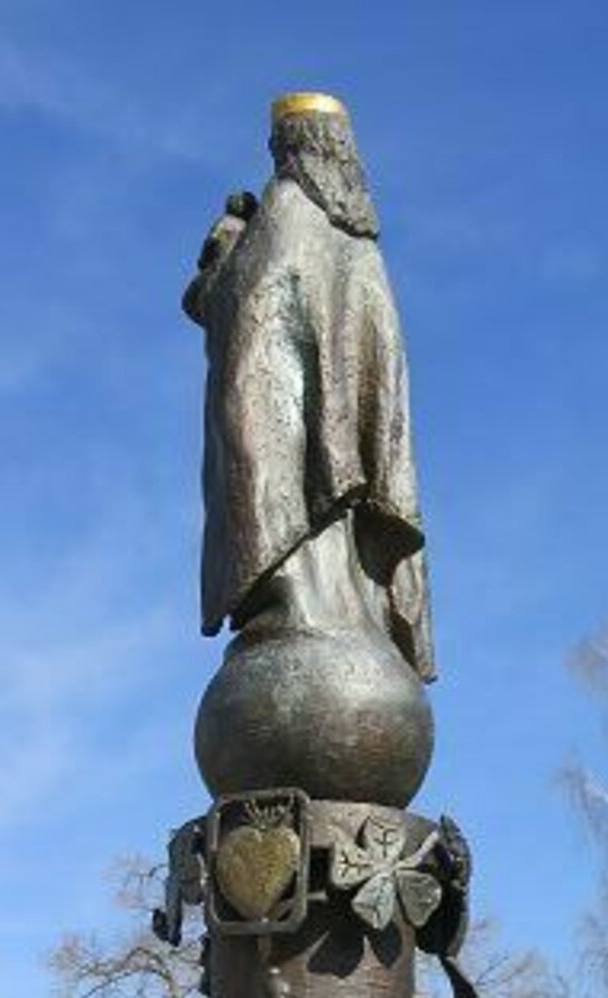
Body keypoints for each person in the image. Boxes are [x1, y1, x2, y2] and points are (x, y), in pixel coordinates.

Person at [185, 93, 434, 681]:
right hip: (335, 492)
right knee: (338, 559)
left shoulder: (287, 209)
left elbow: (237, 318)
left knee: (309, 559)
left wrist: (220, 259)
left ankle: (297, 607)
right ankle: (345, 613)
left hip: (293, 484)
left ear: (286, 149)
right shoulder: (361, 241)